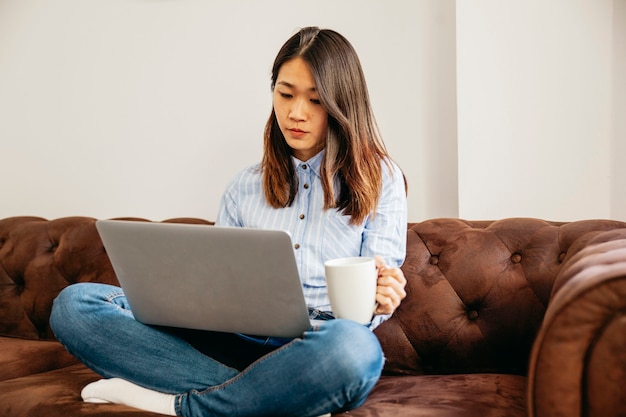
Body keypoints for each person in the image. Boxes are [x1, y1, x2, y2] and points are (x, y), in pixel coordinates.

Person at [50, 26, 408, 417]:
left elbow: (373, 298)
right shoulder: (244, 187)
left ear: (342, 104)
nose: (296, 113)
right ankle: (275, 396)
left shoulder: (380, 179)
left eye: (316, 100)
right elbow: (217, 291)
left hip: (321, 344)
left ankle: (182, 404)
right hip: (235, 342)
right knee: (74, 305)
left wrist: (380, 298)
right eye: (285, 94)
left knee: (355, 351)